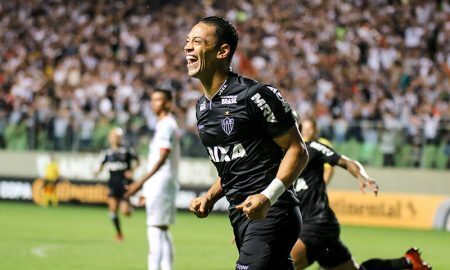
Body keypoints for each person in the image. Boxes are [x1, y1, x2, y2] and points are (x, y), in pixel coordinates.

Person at [185, 16, 309, 270]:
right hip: (241, 214)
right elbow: (234, 165)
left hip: (273, 211)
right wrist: (209, 197)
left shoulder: (254, 95)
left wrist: (268, 196)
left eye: (197, 42)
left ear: (222, 51)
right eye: (187, 41)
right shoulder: (202, 107)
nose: (187, 47)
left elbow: (297, 149)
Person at [291, 118, 431, 270]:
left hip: (317, 223)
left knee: (279, 264)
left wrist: (362, 176)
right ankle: (408, 262)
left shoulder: (312, 147)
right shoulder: (277, 155)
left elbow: (346, 162)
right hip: (309, 225)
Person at [126, 89, 180, 270]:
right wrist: (145, 188)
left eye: (158, 100)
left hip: (161, 183)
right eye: (152, 99)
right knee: (162, 230)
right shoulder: (165, 124)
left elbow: (162, 157)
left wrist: (140, 183)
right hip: (163, 183)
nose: (153, 103)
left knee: (155, 230)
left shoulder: (166, 124)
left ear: (168, 103)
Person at [94, 127, 139, 242]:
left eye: (118, 136)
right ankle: (119, 233)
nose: (116, 139)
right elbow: (100, 166)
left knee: (125, 212)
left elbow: (138, 161)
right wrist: (96, 172)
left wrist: (132, 171)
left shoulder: (127, 150)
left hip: (124, 183)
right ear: (110, 138)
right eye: (114, 136)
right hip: (112, 183)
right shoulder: (107, 152)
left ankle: (130, 206)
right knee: (112, 212)